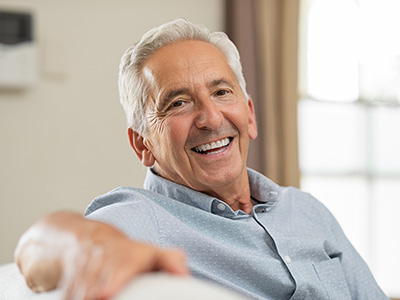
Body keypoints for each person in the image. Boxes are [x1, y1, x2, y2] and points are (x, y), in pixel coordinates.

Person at [15, 19, 388, 300]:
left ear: (250, 115)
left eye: (221, 92)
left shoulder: (306, 209)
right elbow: (35, 247)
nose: (210, 118)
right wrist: (86, 245)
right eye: (178, 103)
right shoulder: (144, 218)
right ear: (142, 145)